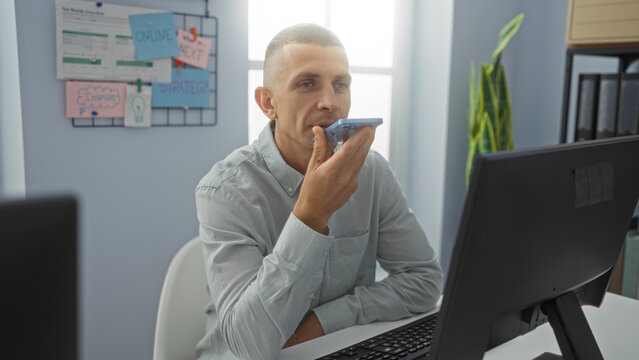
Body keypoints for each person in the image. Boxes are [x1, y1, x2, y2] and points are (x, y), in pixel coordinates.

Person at [194, 23, 443, 360]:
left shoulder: (372, 171)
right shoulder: (224, 191)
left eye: (341, 84)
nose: (330, 102)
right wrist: (311, 215)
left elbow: (425, 281)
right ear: (268, 102)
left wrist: (322, 322)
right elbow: (249, 347)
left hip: (340, 347)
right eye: (307, 84)